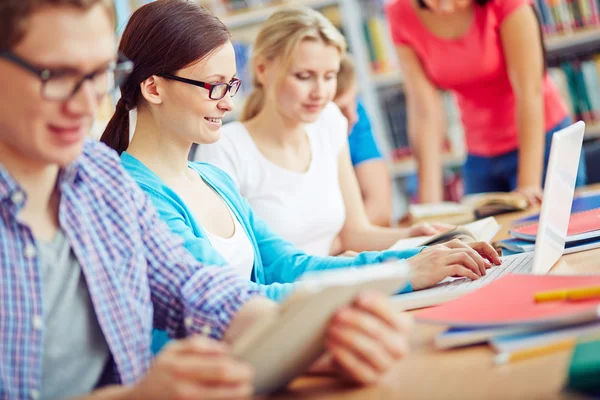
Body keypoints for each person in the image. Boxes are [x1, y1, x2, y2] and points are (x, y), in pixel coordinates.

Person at [0, 0, 421, 397]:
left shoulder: (99, 179)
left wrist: (312, 339)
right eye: (55, 75)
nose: (87, 102)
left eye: (99, 75)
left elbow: (196, 288)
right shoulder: (133, 179)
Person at [98, 1, 500, 352]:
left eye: (231, 85)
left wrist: (416, 260)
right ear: (153, 88)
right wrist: (400, 274)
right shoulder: (136, 195)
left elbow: (290, 267)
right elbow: (237, 300)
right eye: (214, 87)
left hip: (264, 354)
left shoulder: (209, 179)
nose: (230, 102)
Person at [196, 6, 455, 257]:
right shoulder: (224, 148)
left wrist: (416, 237)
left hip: (337, 278)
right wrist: (329, 267)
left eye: (329, 76)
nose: (320, 92)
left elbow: (356, 234)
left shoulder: (328, 121)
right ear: (262, 70)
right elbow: (241, 265)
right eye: (304, 76)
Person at [385, 0, 587, 205]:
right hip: (479, 152)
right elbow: (423, 110)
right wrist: (428, 207)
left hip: (541, 140)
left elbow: (529, 92)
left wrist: (528, 185)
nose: (445, 8)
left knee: (541, 227)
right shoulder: (400, 14)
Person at [334, 54, 393, 228]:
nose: (352, 117)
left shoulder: (353, 114)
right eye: (340, 109)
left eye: (352, 101)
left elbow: (380, 209)